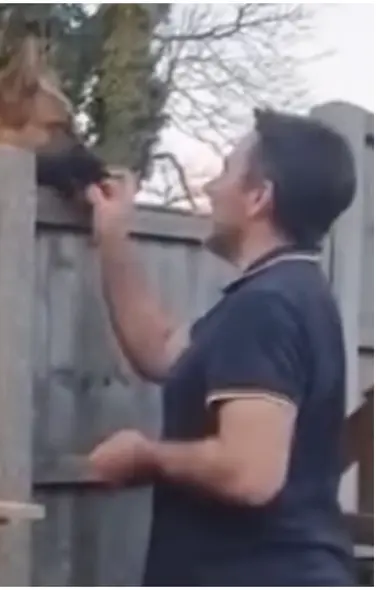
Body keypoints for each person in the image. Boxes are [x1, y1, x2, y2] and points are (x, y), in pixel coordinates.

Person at [84, 108, 358, 586]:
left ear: (258, 197)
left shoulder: (267, 307)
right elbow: (161, 349)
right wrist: (113, 237)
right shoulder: (290, 291)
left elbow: (249, 473)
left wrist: (145, 455)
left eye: (226, 171)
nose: (211, 188)